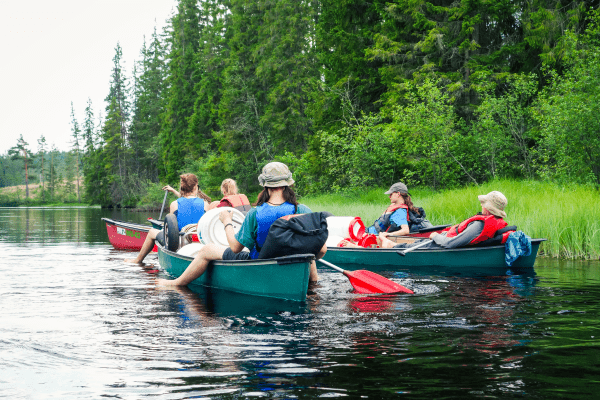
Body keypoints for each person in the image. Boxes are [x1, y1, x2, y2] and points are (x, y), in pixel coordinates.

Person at [157, 162, 323, 286]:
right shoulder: (303, 210)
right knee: (309, 252)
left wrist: (227, 222)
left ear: (265, 186)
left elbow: (236, 248)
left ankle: (175, 284)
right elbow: (321, 250)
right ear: (288, 184)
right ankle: (313, 287)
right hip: (294, 268)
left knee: (206, 250)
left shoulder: (254, 213)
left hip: (261, 264)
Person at [379, 190, 509, 250]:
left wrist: (436, 236)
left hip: (439, 244)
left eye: (484, 203)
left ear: (488, 207)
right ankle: (389, 243)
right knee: (416, 242)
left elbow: (449, 244)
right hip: (442, 239)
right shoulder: (494, 221)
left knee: (403, 246)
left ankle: (388, 244)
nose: (481, 205)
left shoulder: (479, 225)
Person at [125, 173, 210, 264]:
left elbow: (171, 227)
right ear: (196, 187)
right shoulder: (205, 204)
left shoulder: (175, 204)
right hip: (199, 241)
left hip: (180, 243)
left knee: (151, 232)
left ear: (182, 188)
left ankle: (137, 260)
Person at [366, 182, 432, 238]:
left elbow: (406, 230)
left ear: (398, 194)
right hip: (370, 232)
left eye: (391, 194)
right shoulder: (395, 207)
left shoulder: (400, 211)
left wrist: (388, 234)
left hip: (373, 235)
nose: (389, 196)